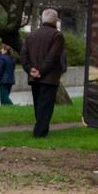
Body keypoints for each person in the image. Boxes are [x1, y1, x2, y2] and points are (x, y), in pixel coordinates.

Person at [22, 8, 67, 138]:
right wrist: (41, 71)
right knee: (45, 107)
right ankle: (39, 134)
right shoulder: (57, 36)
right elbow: (52, 57)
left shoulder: (32, 35)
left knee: (38, 105)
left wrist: (30, 69)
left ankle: (39, 130)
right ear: (55, 21)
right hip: (49, 78)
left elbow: (24, 54)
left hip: (34, 77)